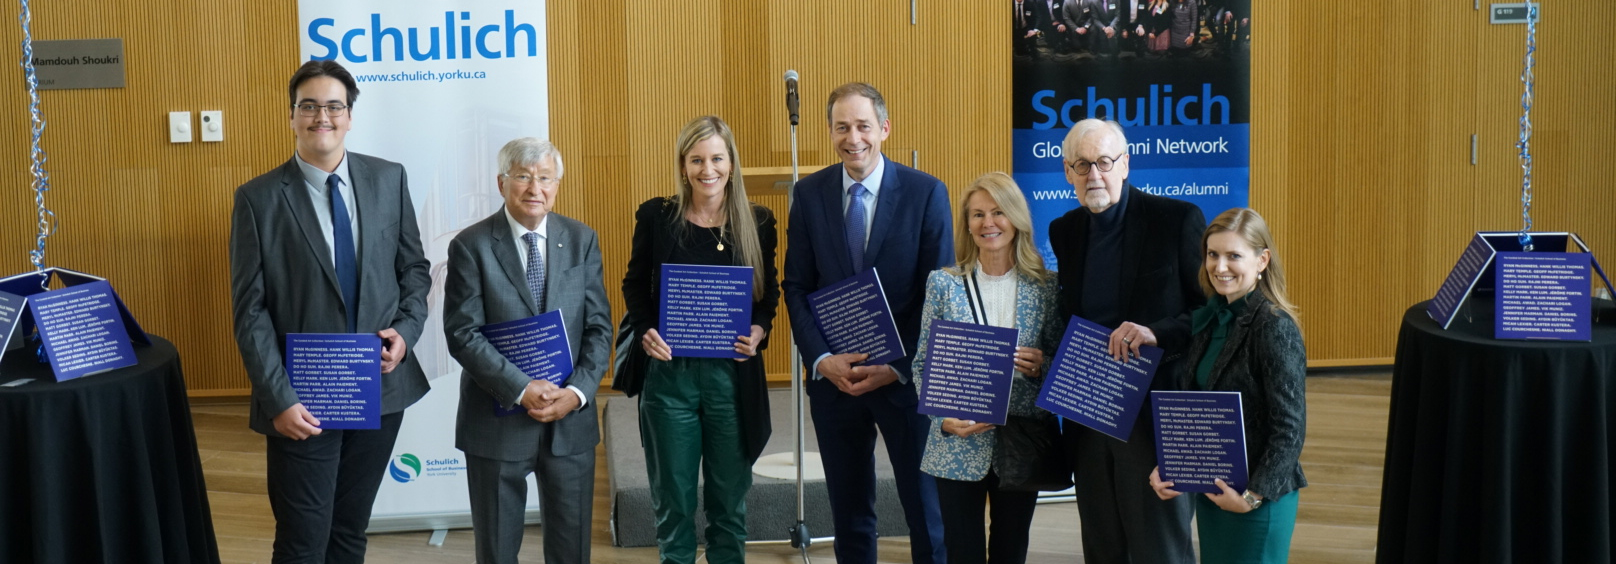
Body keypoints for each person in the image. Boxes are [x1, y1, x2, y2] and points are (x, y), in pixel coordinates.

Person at [228, 59, 431, 563]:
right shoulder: (257, 199)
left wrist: (405, 333)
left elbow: (415, 271)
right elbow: (250, 310)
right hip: (302, 397)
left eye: (334, 106)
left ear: (350, 114)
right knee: (302, 538)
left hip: (379, 388)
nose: (323, 116)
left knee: (349, 530)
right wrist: (278, 398)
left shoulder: (388, 179)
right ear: (293, 115)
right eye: (310, 106)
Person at [782, 82, 952, 564]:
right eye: (842, 127)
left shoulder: (925, 193)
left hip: (905, 383)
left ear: (885, 129)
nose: (852, 137)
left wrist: (898, 366)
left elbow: (937, 296)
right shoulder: (809, 194)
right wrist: (822, 360)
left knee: (926, 511)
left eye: (862, 125)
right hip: (836, 383)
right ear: (830, 132)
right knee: (850, 515)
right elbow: (796, 287)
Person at [442, 138, 612, 564]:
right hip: (497, 423)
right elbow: (463, 333)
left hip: (569, 421)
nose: (534, 187)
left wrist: (576, 393)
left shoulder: (581, 240)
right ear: (502, 183)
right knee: (497, 552)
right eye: (522, 176)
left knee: (571, 551)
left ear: (557, 185)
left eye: (545, 178)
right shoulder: (471, 246)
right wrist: (520, 388)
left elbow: (598, 328)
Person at [623, 115, 780, 564]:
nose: (706, 169)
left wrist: (760, 329)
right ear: (683, 164)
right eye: (696, 159)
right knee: (672, 503)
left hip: (731, 377)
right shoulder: (657, 216)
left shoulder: (758, 222)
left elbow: (767, 295)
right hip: (669, 376)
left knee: (729, 504)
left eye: (716, 158)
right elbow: (635, 284)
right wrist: (647, 329)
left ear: (731, 162)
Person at [1046, 118, 1203, 564]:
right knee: (1102, 541)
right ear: (1067, 172)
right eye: (1082, 165)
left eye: (1104, 162)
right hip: (1089, 406)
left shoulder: (1176, 220)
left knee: (1160, 546)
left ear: (1126, 164)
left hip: (1153, 413)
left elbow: (1208, 313)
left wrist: (1156, 331)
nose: (1094, 174)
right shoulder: (1066, 230)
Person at [913, 172, 1063, 564]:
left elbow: (1063, 366)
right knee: (961, 553)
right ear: (967, 224)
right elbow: (922, 364)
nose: (988, 223)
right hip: (957, 443)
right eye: (977, 215)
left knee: (1011, 551)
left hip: (1021, 441)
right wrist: (942, 418)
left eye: (998, 212)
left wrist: (1042, 365)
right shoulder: (944, 284)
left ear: (1016, 219)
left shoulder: (1046, 287)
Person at [1149, 208, 1307, 563]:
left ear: (1262, 260)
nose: (1220, 267)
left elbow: (1290, 429)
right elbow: (1197, 407)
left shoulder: (1274, 326)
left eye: (1234, 256)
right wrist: (1174, 465)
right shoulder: (1210, 317)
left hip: (1256, 497)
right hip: (1216, 491)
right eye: (1213, 254)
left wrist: (1252, 496)